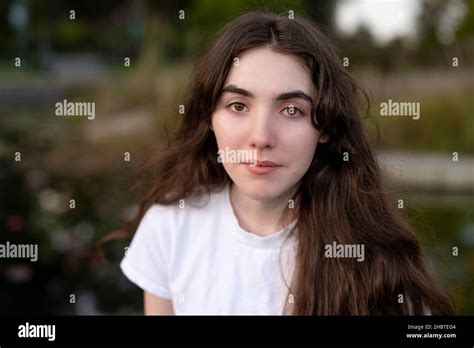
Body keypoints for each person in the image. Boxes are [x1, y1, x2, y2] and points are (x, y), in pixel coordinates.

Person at [119, 11, 454, 315]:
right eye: (238, 106)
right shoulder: (169, 228)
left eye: (291, 109)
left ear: (324, 126)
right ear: (210, 118)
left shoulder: (373, 257)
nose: (261, 137)